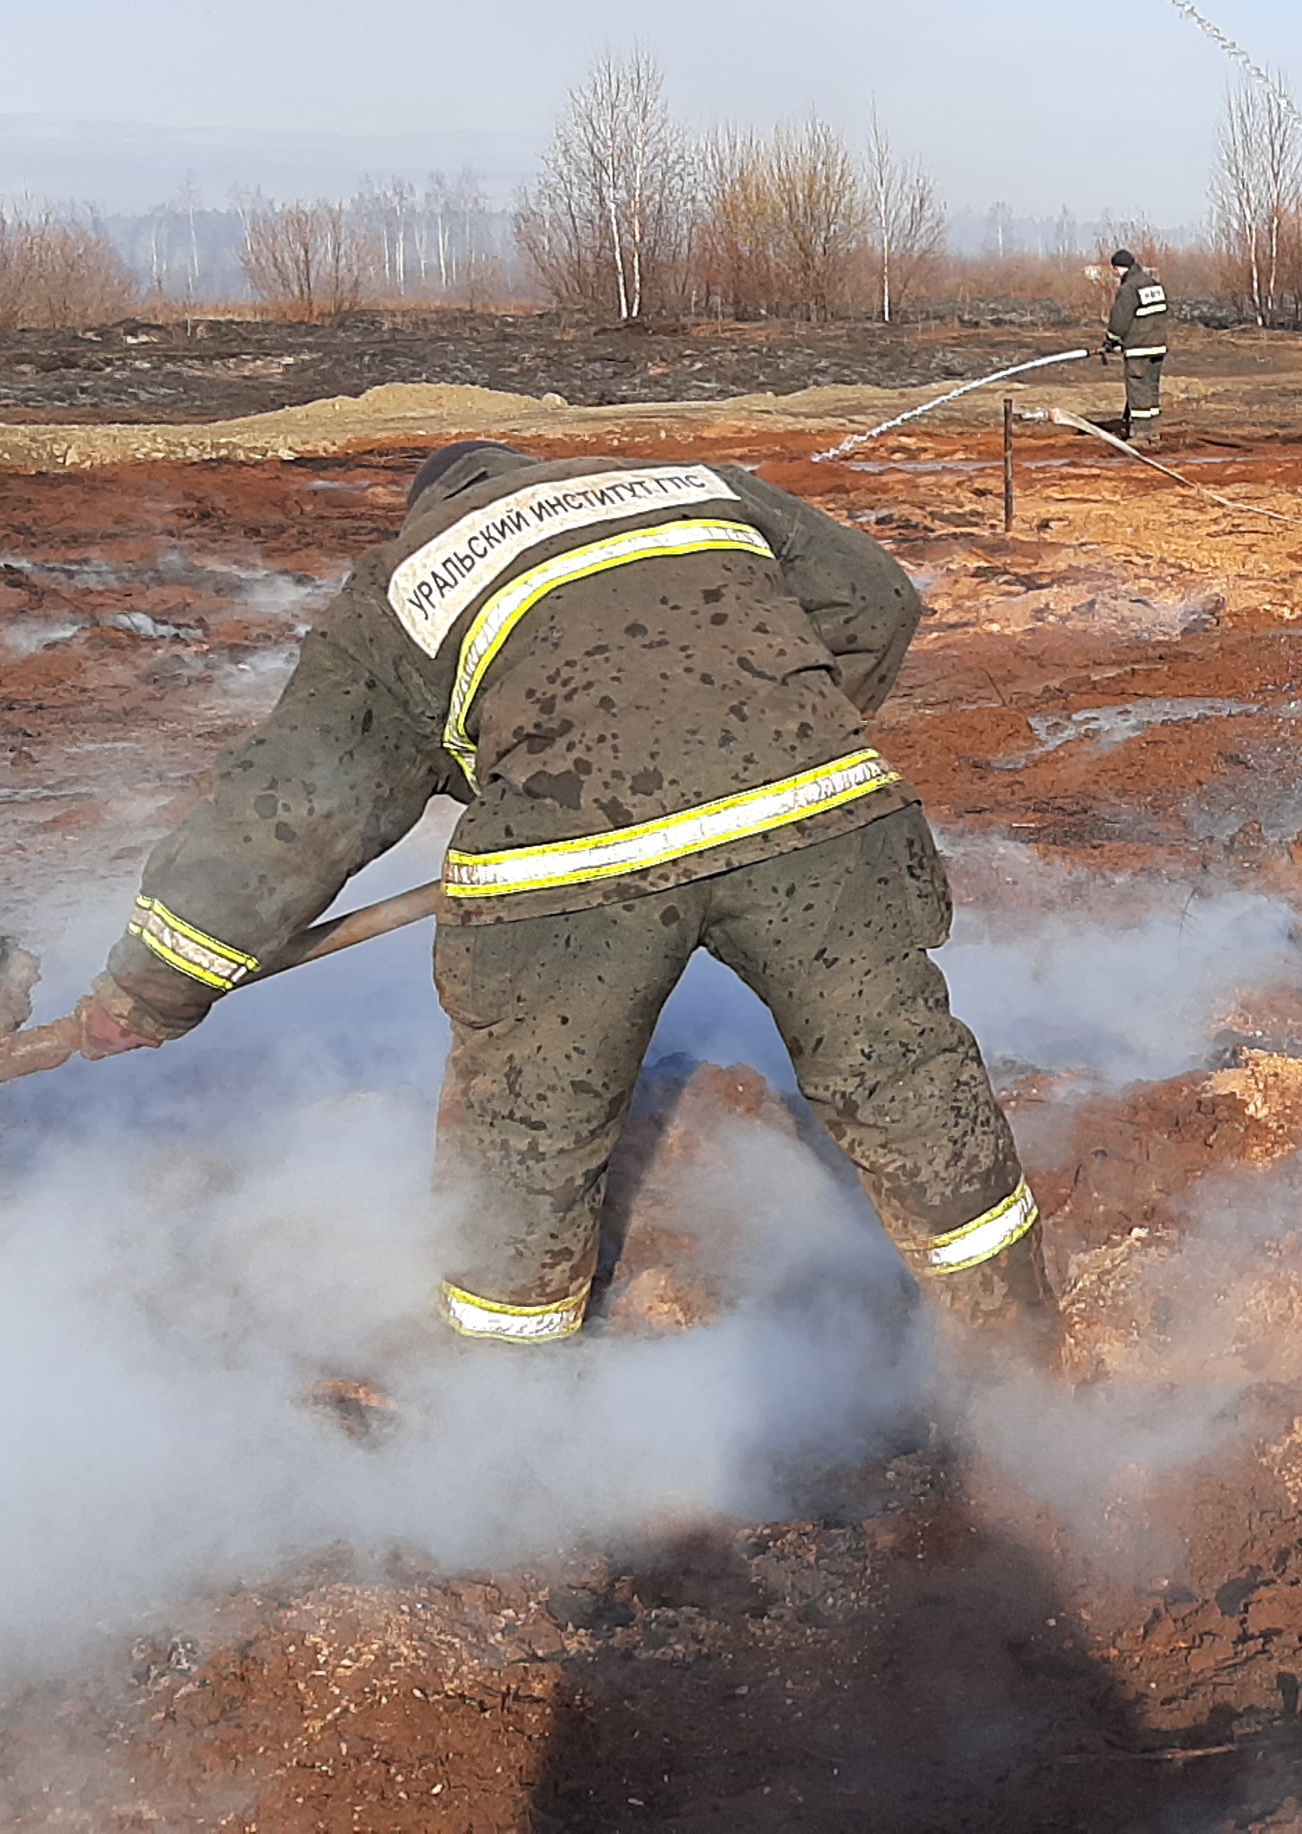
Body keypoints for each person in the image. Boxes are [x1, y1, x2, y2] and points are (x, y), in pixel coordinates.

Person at [70, 441, 1056, 1363]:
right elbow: (877, 602)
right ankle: (1015, 1354)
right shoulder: (689, 484)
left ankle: (514, 1429)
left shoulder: (404, 583)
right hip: (820, 815)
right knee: (909, 1081)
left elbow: (290, 812)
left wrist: (150, 991)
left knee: (524, 1147)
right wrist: (769, 730)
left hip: (570, 869)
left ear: (433, 507)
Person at [1102, 248, 1172, 442]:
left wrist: (1111, 339)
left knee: (1138, 389)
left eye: (1115, 270)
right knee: (1151, 388)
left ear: (1119, 268)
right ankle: (1153, 431)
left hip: (1139, 348)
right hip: (1158, 346)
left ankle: (1141, 434)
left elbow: (1120, 320)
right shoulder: (1153, 285)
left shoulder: (1129, 289)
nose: (1115, 274)